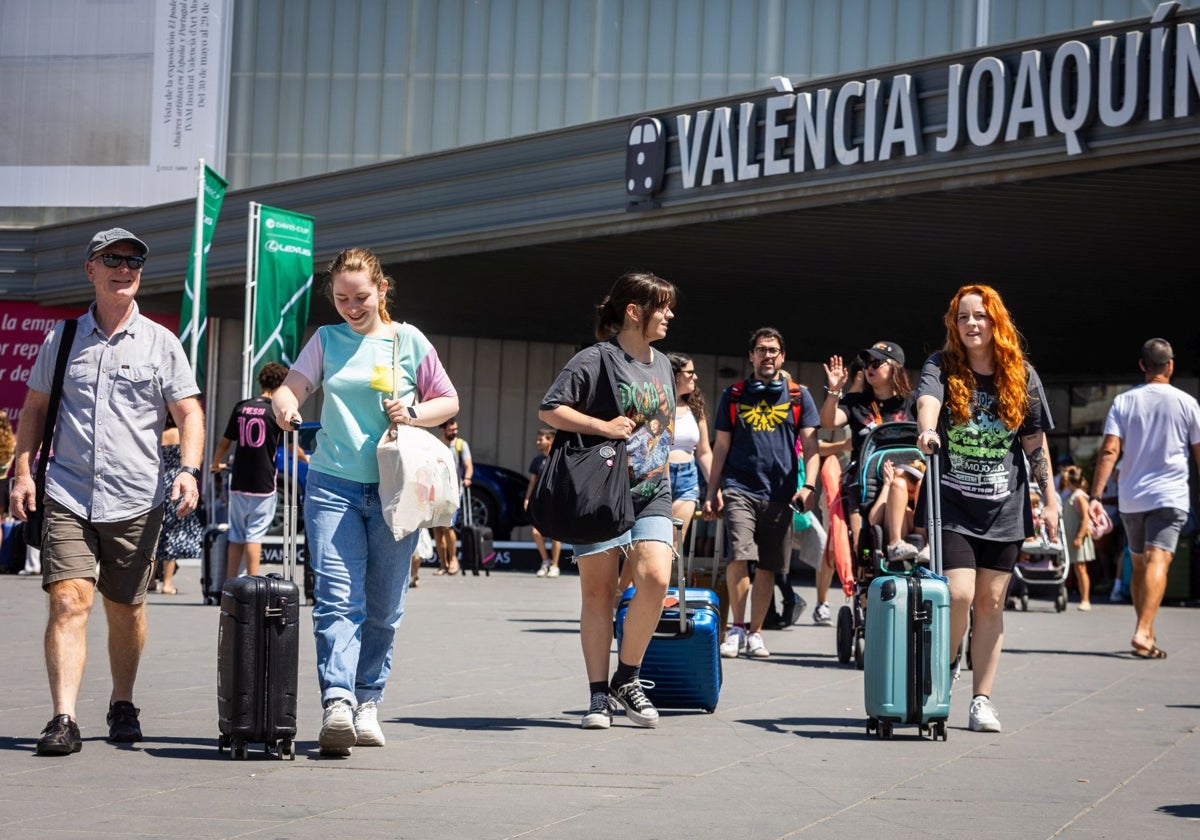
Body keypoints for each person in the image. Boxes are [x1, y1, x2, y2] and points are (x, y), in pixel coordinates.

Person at [9, 227, 203, 756]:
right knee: (70, 601)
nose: (125, 268)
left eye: (134, 260)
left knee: (126, 608)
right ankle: (64, 717)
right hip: (68, 492)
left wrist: (187, 469)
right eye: (112, 259)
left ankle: (122, 701)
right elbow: (35, 409)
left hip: (137, 498)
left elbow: (189, 412)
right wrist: (23, 472)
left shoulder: (162, 342)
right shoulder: (63, 338)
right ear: (90, 268)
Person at [272, 247, 459, 755]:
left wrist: (414, 410)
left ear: (381, 290)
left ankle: (367, 700)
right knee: (336, 597)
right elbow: (291, 389)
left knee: (384, 604)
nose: (351, 307)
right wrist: (286, 409)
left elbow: (449, 400)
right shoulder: (325, 340)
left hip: (396, 489)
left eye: (361, 297)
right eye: (340, 299)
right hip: (332, 483)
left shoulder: (407, 340)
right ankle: (336, 699)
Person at [915, 284, 1057, 734]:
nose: (971, 324)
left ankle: (981, 699)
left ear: (996, 322)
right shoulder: (941, 365)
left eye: (980, 316)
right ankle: (946, 665)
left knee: (991, 601)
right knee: (957, 594)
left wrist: (1050, 499)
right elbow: (928, 400)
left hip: (1005, 507)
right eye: (963, 317)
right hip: (953, 504)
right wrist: (925, 430)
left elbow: (1034, 442)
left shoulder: (1021, 374)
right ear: (953, 325)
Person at [538, 271, 676, 730]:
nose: (670, 315)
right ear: (635, 311)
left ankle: (627, 677)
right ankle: (598, 696)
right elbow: (549, 408)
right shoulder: (596, 358)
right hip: (600, 493)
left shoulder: (663, 364)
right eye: (663, 307)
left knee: (655, 577)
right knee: (598, 594)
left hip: (653, 490)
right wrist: (604, 427)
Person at [704, 327, 820, 660]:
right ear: (751, 356)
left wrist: (809, 486)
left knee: (770, 566)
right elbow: (721, 446)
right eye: (760, 349)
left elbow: (811, 447)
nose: (767, 355)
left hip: (781, 493)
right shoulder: (735, 394)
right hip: (740, 486)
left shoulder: (798, 396)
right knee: (740, 556)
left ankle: (755, 633)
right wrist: (713, 490)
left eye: (773, 350)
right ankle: (736, 628)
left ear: (782, 356)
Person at [1089, 338, 1200, 659]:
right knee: (1159, 560)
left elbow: (1110, 450)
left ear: (1141, 366)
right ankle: (1142, 630)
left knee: (1139, 563)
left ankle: (1146, 632)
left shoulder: (1123, 402)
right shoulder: (1187, 403)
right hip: (1170, 496)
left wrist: (1096, 495)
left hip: (1132, 498)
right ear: (1170, 365)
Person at [821, 340, 917, 572]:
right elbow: (828, 423)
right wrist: (834, 392)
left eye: (877, 362)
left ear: (896, 367)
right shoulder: (855, 403)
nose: (869, 367)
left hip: (910, 484)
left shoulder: (913, 400)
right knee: (862, 550)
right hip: (864, 485)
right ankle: (864, 590)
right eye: (867, 363)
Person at [210, 362, 299, 580]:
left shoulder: (242, 406)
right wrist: (306, 457)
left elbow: (225, 441)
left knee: (237, 534)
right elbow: (291, 446)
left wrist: (215, 463)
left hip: (239, 480)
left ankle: (229, 583)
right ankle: (252, 583)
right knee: (255, 534)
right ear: (281, 385)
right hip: (264, 482)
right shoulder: (276, 410)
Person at [667, 352, 713, 549]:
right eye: (690, 372)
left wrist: (714, 488)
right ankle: (625, 582)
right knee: (650, 542)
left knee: (675, 542)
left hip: (688, 477)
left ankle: (664, 581)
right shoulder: (655, 404)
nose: (695, 377)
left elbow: (704, 452)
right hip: (659, 476)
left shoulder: (695, 408)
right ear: (676, 375)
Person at [155, 414, 203, 595]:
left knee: (155, 532)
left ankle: (151, 580)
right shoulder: (181, 435)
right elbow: (197, 458)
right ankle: (167, 583)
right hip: (178, 482)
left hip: (159, 482)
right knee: (173, 533)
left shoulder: (159, 434)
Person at [432, 418, 472, 576]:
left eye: (456, 429)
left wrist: (468, 478)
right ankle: (443, 563)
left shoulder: (461, 445)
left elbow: (468, 465)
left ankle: (454, 559)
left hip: (454, 491)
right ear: (442, 429)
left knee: (448, 526)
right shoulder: (436, 445)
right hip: (436, 491)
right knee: (437, 528)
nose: (454, 432)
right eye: (451, 429)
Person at [866, 458, 925, 563]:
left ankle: (925, 545)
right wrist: (888, 485)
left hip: (916, 534)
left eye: (912, 492)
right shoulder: (894, 486)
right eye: (909, 491)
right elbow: (873, 520)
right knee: (899, 484)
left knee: (923, 484)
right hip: (890, 536)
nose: (910, 495)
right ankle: (895, 544)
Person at [524, 427, 563, 577]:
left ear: (551, 441)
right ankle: (545, 560)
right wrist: (527, 499)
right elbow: (532, 482)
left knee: (555, 534)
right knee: (536, 532)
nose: (538, 442)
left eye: (541, 439)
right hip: (540, 502)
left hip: (556, 501)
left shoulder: (559, 458)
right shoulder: (537, 461)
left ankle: (555, 565)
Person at [1058, 465, 1095, 610]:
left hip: (1077, 537)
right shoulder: (1070, 495)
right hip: (1070, 536)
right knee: (1074, 568)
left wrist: (1079, 537)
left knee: (1080, 568)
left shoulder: (1079, 496)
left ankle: (1085, 599)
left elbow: (1085, 518)